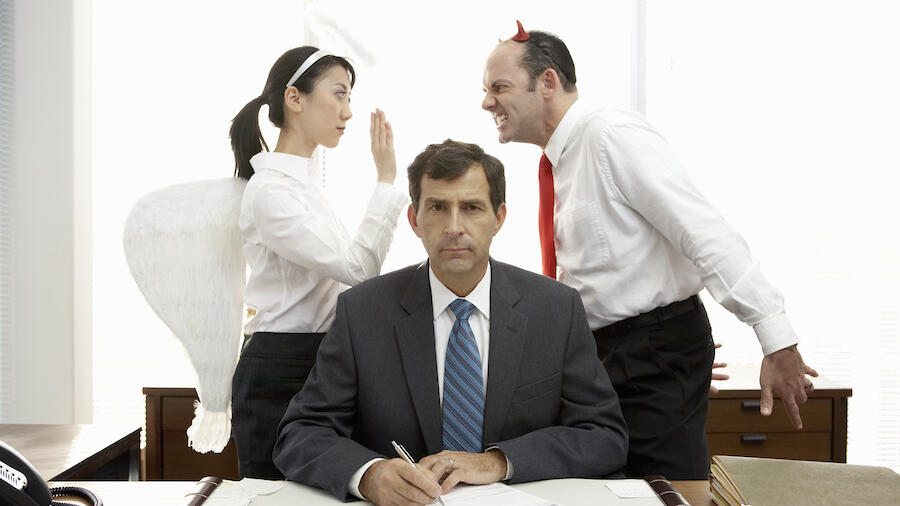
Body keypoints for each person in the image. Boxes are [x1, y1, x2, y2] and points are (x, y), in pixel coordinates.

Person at [480, 22, 818, 480]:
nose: (487, 102)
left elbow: (702, 232)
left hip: (649, 354)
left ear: (548, 82)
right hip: (613, 354)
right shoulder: (561, 161)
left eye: (499, 87)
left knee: (664, 491)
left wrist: (775, 338)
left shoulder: (609, 135)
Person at [273, 140, 627, 504]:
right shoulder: (363, 311)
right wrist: (368, 475)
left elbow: (604, 435)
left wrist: (499, 461)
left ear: (499, 218)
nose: (454, 227)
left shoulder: (555, 309)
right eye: (438, 208)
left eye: (471, 207)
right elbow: (300, 434)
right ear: (414, 220)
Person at [228, 46, 408, 479]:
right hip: (281, 365)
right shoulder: (271, 191)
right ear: (295, 98)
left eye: (349, 97)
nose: (347, 111)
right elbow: (358, 270)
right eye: (339, 94)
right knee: (278, 496)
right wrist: (386, 178)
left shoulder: (304, 189)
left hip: (319, 358)